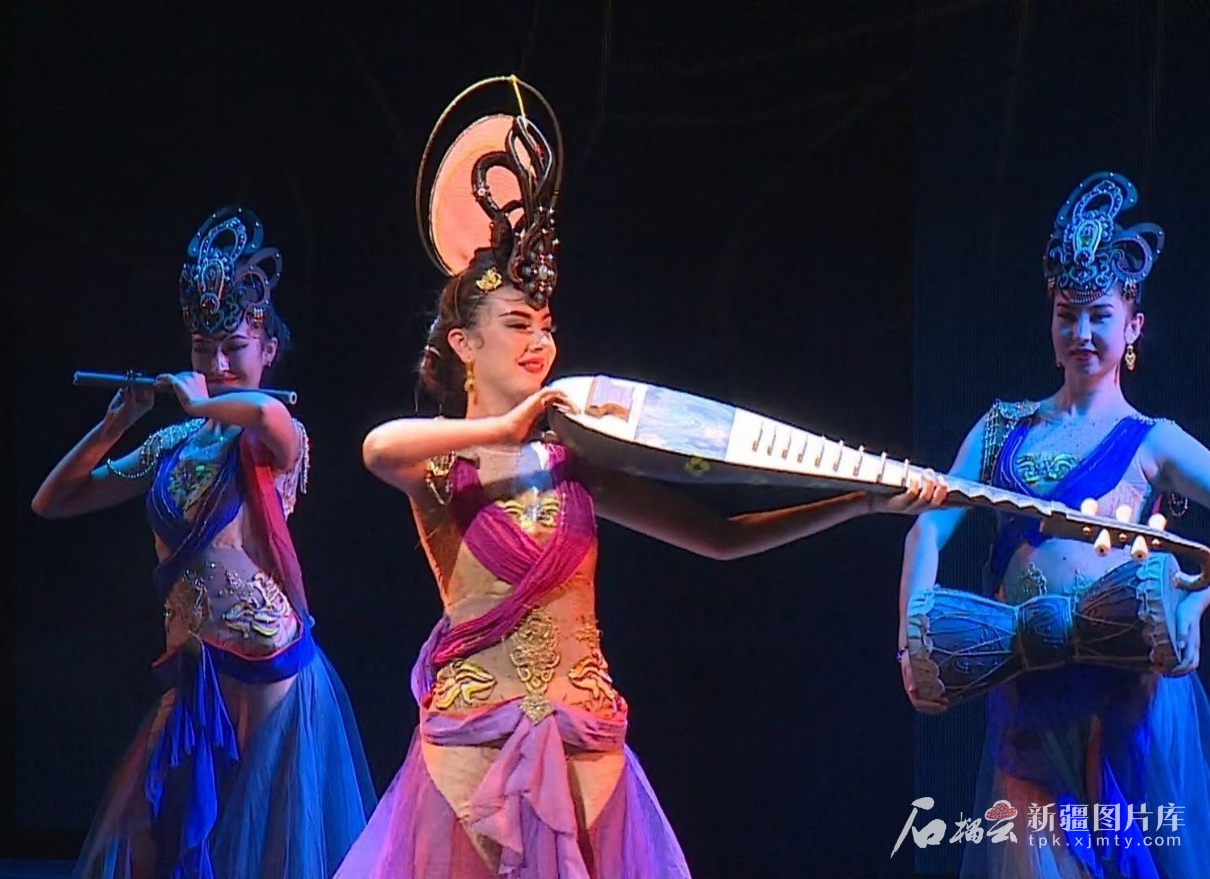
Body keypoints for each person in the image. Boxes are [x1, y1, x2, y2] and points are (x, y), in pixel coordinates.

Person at [336, 75, 946, 879]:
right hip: (470, 762)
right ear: (463, 345)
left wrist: (856, 502)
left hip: (586, 754)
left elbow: (720, 537)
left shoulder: (577, 464)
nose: (540, 343)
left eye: (546, 327)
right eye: (517, 325)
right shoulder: (442, 468)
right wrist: (502, 429)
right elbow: (376, 446)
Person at [32, 206, 376, 879]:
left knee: (268, 853)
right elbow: (54, 500)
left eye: (233, 348)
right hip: (195, 671)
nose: (216, 364)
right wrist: (115, 424)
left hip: (270, 668)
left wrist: (198, 401)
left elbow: (265, 410)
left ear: (267, 351)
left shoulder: (275, 437)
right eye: (201, 348)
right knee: (165, 844)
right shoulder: (172, 443)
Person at [897, 171, 1210, 878]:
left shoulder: (1151, 441)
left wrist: (1194, 603)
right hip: (1027, 690)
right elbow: (928, 529)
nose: (1082, 333)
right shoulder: (1002, 427)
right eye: (1068, 315)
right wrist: (910, 640)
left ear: (1133, 327)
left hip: (1125, 692)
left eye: (1100, 315)